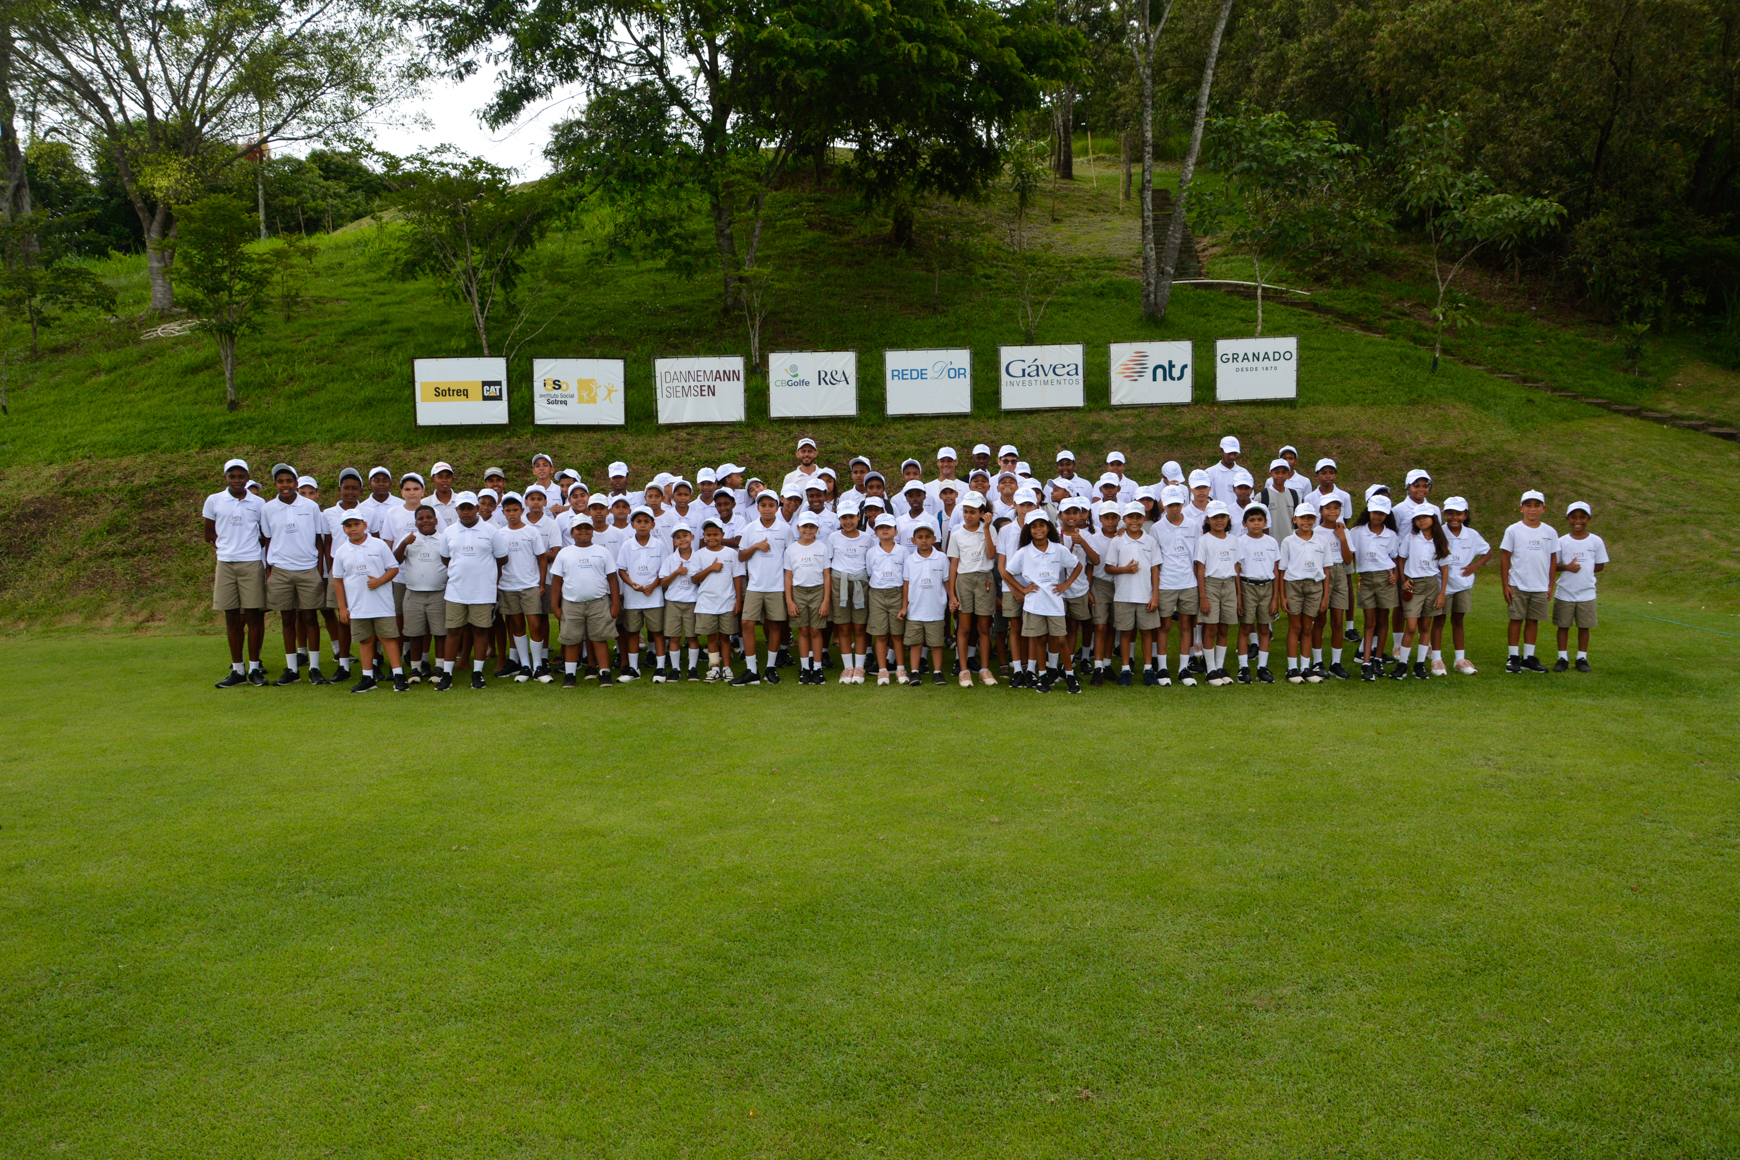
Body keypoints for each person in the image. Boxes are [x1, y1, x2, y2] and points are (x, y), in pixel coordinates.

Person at [261, 462, 328, 685]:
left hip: (308, 568)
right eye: (280, 481)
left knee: (310, 617)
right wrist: (269, 570)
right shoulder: (268, 508)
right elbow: (268, 540)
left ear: (296, 483)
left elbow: (319, 539)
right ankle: (292, 669)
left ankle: (314, 668)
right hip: (281, 570)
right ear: (275, 484)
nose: (285, 485)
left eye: (289, 481)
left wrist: (319, 570)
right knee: (287, 619)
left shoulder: (310, 506)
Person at [204, 457, 268, 686]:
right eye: (232, 476)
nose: (237, 480)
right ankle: (238, 670)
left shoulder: (259, 503)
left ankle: (254, 668)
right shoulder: (214, 500)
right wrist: (227, 548)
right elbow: (209, 534)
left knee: (253, 616)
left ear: (248, 477)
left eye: (241, 476)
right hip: (226, 564)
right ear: (226, 477)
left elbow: (265, 534)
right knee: (231, 617)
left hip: (251, 563)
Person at [1007, 510, 1084, 693]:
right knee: (1040, 639)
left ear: (1048, 528)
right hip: (1034, 604)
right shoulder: (1024, 552)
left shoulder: (1058, 549)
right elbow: (1007, 572)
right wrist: (1022, 589)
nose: (1038, 529)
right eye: (1034, 526)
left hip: (1055, 604)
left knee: (1061, 640)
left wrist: (1066, 584)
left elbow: (1078, 565)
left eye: (1042, 525)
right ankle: (1042, 676)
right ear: (1029, 530)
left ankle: (1070, 675)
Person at [332, 511, 406, 692]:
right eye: (348, 526)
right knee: (365, 640)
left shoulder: (379, 545)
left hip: (382, 604)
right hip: (358, 606)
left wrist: (379, 581)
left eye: (356, 524)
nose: (353, 529)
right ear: (344, 529)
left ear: (364, 525)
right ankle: (368, 677)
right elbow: (338, 581)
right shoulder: (341, 551)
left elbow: (393, 568)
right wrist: (342, 608)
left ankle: (398, 676)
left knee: (388, 638)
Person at [437, 492, 504, 691]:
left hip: (482, 591)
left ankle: (477, 673)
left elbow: (502, 558)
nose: (466, 512)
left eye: (469, 508)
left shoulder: (491, 531)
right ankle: (447, 674)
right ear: (456, 510)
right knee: (453, 631)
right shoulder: (449, 531)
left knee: (480, 630)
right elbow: (445, 557)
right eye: (462, 509)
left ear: (476, 509)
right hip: (456, 591)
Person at [548, 520, 620, 688]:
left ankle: (604, 672)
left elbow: (612, 579)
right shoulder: (564, 553)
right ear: (572, 533)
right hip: (571, 604)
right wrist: (555, 606)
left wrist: (615, 604)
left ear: (593, 531)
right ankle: (570, 674)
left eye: (587, 528)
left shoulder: (602, 552)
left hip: (598, 603)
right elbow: (557, 582)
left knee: (599, 638)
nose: (583, 531)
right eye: (579, 528)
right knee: (571, 640)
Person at [734, 491, 794, 685]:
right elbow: (741, 556)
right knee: (746, 624)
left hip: (777, 586)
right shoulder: (750, 528)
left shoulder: (785, 529)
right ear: (758, 507)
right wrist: (756, 546)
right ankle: (752, 670)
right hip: (755, 585)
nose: (767, 509)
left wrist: (787, 587)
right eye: (763, 505)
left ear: (777, 507)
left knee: (775, 625)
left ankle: (770, 667)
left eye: (771, 505)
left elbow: (790, 559)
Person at [493, 493, 552, 682]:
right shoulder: (500, 534)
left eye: (515, 510)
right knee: (517, 626)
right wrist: (497, 583)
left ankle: (538, 666)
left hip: (530, 586)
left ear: (521, 510)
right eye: (508, 511)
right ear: (503, 512)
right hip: (508, 587)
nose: (512, 514)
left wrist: (541, 584)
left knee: (535, 625)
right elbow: (497, 561)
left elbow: (542, 559)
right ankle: (525, 666)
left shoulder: (531, 532)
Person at [1102, 501, 1161, 686]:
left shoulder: (1150, 541)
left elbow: (1155, 569)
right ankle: (1126, 669)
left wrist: (1155, 595)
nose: (1134, 521)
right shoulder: (1117, 541)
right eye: (1130, 517)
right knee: (1126, 633)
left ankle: (1148, 669)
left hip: (1145, 595)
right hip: (1124, 595)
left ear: (1143, 519)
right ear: (1124, 519)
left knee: (1146, 633)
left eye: (1138, 517)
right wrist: (1125, 569)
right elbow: (1108, 568)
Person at [1500, 489, 1558, 674]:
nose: (1532, 509)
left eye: (1537, 506)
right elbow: (1505, 557)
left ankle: (1528, 658)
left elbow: (1553, 558)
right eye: (1528, 505)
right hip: (1518, 583)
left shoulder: (1550, 531)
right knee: (1516, 619)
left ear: (1543, 508)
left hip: (1540, 585)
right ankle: (1513, 657)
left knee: (1533, 620)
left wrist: (1550, 584)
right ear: (1521, 508)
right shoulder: (1513, 530)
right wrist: (1506, 584)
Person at [946, 493, 998, 686]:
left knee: (984, 627)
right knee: (964, 627)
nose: (968, 516)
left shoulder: (990, 529)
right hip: (964, 580)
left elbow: (991, 555)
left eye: (973, 512)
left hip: (985, 579)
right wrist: (952, 595)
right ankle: (964, 670)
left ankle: (984, 670)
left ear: (982, 513)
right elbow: (953, 565)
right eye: (966, 511)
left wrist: (986, 529)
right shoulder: (957, 534)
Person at [1151, 485, 1200, 687]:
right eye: (1170, 504)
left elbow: (1196, 557)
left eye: (1177, 504)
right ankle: (1162, 668)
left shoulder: (1193, 525)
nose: (1174, 508)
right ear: (1163, 504)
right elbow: (1155, 562)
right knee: (1164, 626)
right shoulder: (1156, 528)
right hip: (1166, 583)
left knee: (1186, 625)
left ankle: (1183, 668)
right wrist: (1155, 591)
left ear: (1183, 503)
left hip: (1189, 583)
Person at [393, 502, 447, 682]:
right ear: (415, 522)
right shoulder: (409, 539)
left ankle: (439, 667)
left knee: (440, 632)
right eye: (421, 518)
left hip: (438, 593)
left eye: (429, 517)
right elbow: (396, 560)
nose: (425, 521)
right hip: (413, 593)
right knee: (414, 633)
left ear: (436, 520)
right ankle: (415, 669)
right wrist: (404, 543)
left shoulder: (444, 539)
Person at [1395, 508, 1450, 680]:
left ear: (1433, 518)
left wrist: (1442, 593)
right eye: (1418, 518)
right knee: (1411, 626)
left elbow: (1444, 567)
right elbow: (1401, 558)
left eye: (1425, 517)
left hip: (1431, 584)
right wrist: (1403, 580)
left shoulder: (1439, 539)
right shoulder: (1410, 538)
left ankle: (1419, 664)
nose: (1422, 520)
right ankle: (1402, 663)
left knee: (1425, 626)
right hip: (1414, 584)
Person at [1351, 496, 1402, 680]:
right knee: (1370, 621)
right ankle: (1366, 662)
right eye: (1374, 512)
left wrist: (1395, 574)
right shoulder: (1357, 532)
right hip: (1366, 579)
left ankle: (1378, 658)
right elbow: (1349, 552)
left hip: (1385, 579)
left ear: (1386, 515)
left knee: (1383, 618)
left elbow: (1394, 557)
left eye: (1381, 513)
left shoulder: (1391, 535)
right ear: (1368, 512)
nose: (1377, 516)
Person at [1552, 501, 1607, 672]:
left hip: (1586, 592)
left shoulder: (1595, 541)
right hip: (1565, 592)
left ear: (1589, 519)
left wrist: (1586, 570)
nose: (1578, 521)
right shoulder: (1561, 541)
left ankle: (1581, 658)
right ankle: (1562, 658)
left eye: (1582, 517)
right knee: (1563, 625)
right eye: (1574, 517)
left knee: (1584, 626)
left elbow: (1600, 564)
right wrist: (1567, 567)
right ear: (1568, 519)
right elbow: (1553, 565)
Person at [616, 505, 668, 682]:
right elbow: (622, 569)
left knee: (657, 632)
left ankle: (660, 668)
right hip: (633, 599)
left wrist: (653, 586)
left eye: (646, 521)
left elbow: (664, 570)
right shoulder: (627, 545)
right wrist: (631, 584)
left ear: (653, 524)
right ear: (632, 524)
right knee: (633, 632)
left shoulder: (659, 545)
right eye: (639, 521)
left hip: (654, 598)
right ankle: (633, 668)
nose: (643, 525)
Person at [1438, 497, 1490, 674]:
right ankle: (1437, 659)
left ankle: (1460, 659)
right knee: (1439, 621)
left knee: (1458, 621)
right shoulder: (1439, 532)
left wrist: (1475, 566)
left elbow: (1488, 551)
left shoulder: (1472, 534)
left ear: (1465, 515)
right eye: (1450, 513)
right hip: (1442, 585)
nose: (1454, 517)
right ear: (1444, 514)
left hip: (1463, 584)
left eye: (1459, 513)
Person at [1192, 500, 1240, 686]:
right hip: (1211, 585)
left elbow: (1236, 567)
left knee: (1223, 627)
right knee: (1210, 627)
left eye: (1222, 516)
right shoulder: (1203, 541)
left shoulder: (1234, 540)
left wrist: (1238, 595)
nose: (1219, 520)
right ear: (1208, 520)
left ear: (1228, 518)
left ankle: (1220, 667)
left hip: (1229, 585)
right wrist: (1203, 596)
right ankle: (1210, 669)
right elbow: (1200, 569)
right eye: (1215, 517)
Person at [1278, 502, 1327, 684]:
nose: (1306, 521)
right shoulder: (1288, 541)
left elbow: (1326, 569)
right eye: (1302, 518)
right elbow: (1282, 570)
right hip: (1294, 585)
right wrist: (1282, 596)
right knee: (1295, 627)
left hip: (1314, 586)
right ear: (1295, 519)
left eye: (1310, 518)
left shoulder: (1321, 541)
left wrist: (1325, 596)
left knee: (1307, 628)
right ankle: (1292, 668)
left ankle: (1306, 667)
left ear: (1315, 519)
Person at [690, 518, 744, 682]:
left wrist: (739, 601)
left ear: (722, 534)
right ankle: (714, 668)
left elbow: (737, 578)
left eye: (715, 534)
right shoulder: (699, 554)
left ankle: (727, 668)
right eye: (708, 535)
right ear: (704, 536)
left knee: (725, 637)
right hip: (706, 603)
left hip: (727, 602)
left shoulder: (731, 553)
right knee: (712, 637)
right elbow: (694, 578)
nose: (712, 538)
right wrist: (711, 568)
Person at [784, 512, 833, 684]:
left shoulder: (822, 548)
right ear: (798, 528)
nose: (808, 530)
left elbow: (827, 575)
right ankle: (805, 668)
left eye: (812, 526)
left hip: (818, 591)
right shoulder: (791, 549)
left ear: (817, 529)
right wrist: (789, 601)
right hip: (798, 592)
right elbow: (788, 576)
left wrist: (826, 600)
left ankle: (817, 668)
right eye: (805, 526)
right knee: (803, 630)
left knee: (816, 630)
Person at [1234, 504, 1281, 684]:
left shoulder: (1271, 542)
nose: (1256, 523)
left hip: (1267, 588)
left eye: (1260, 520)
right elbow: (1237, 571)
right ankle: (1243, 667)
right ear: (1244, 523)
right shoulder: (1240, 542)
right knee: (1246, 627)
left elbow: (1275, 570)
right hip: (1247, 586)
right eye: (1252, 520)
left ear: (1266, 522)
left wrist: (1275, 597)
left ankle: (1262, 667)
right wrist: (1239, 597)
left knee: (1264, 628)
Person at [900, 523, 950, 686]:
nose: (924, 540)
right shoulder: (910, 560)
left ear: (934, 539)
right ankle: (915, 672)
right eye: (920, 537)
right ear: (913, 540)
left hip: (936, 609)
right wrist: (904, 606)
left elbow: (946, 581)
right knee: (916, 643)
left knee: (936, 644)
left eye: (928, 537)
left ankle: (937, 672)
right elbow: (906, 585)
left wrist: (952, 598)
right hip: (915, 610)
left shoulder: (941, 558)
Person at [827, 502, 871, 684]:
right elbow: (828, 563)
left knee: (859, 627)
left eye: (851, 517)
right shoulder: (833, 537)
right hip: (840, 584)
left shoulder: (867, 538)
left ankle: (859, 667)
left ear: (859, 517)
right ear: (839, 519)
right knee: (844, 627)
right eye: (844, 517)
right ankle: (848, 667)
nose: (848, 521)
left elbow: (870, 562)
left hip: (861, 583)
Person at [865, 514, 910, 685]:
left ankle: (900, 668)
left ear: (895, 531)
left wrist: (904, 603)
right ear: (875, 531)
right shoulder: (871, 552)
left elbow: (906, 577)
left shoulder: (903, 551)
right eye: (880, 527)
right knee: (881, 634)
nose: (885, 530)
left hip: (897, 593)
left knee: (897, 634)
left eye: (889, 527)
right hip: (877, 594)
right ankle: (883, 670)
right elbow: (870, 573)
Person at [1084, 502, 1124, 683]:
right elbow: (1090, 565)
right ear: (1100, 519)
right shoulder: (1094, 538)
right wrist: (1088, 588)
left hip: (1119, 583)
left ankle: (1107, 664)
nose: (1110, 521)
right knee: (1100, 626)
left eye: (1114, 517)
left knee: (1112, 626)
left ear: (1119, 519)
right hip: (1100, 584)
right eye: (1106, 517)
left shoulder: (1123, 536)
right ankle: (1098, 666)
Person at [659, 523, 703, 681]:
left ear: (692, 537)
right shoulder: (670, 559)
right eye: (678, 537)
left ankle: (692, 668)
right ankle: (675, 669)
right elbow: (663, 582)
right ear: (674, 542)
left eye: (685, 536)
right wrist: (677, 572)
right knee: (674, 637)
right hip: (673, 602)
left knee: (692, 637)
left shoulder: (699, 557)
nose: (682, 539)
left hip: (692, 602)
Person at [1207, 436, 1243, 506]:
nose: (1232, 456)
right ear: (1221, 451)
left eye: (1234, 453)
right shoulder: (1210, 473)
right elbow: (1208, 497)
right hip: (1218, 512)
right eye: (1229, 453)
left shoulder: (1243, 472)